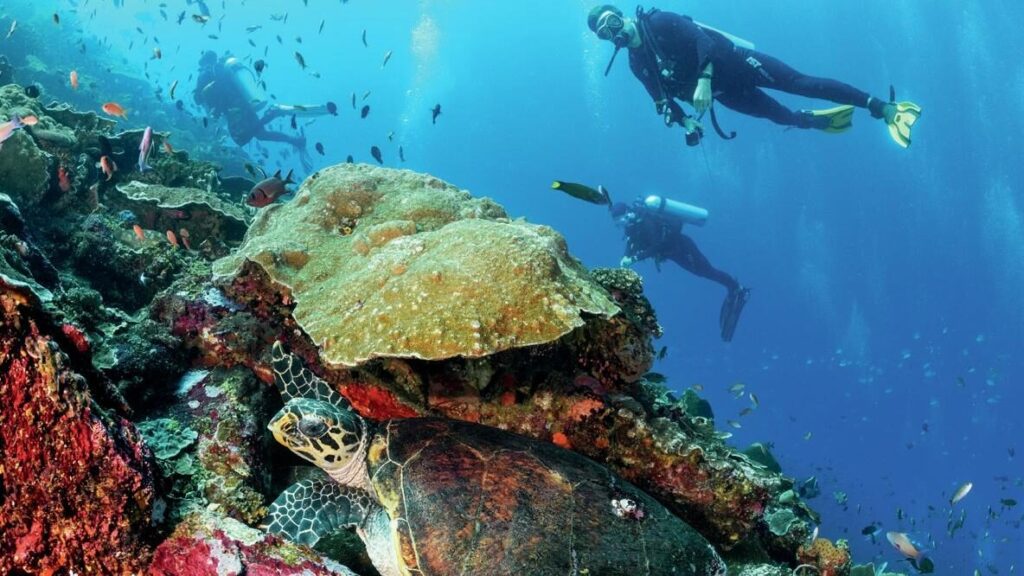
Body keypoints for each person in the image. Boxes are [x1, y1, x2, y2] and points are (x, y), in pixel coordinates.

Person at [588, 5, 922, 148]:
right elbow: (661, 101)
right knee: (780, 116)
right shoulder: (637, 64)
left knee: (801, 84)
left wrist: (703, 79)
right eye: (605, 33)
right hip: (727, 94)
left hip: (738, 64)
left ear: (621, 16)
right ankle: (809, 120)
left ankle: (884, 108)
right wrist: (686, 122)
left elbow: (704, 42)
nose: (613, 33)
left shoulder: (659, 21)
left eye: (612, 23)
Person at [612, 198, 749, 342]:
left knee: (707, 271)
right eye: (617, 223)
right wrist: (626, 256)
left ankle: (736, 288)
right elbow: (631, 242)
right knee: (703, 273)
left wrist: (635, 258)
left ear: (627, 213)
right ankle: (733, 287)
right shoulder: (632, 226)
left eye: (620, 220)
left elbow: (659, 245)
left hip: (684, 248)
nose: (621, 224)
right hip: (675, 254)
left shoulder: (647, 221)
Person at [193, 51, 317, 169]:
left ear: (205, 62)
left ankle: (273, 113)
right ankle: (296, 141)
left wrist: (206, 100)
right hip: (244, 104)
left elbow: (199, 98)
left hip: (234, 109)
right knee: (261, 134)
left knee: (240, 138)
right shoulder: (223, 69)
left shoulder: (206, 73)